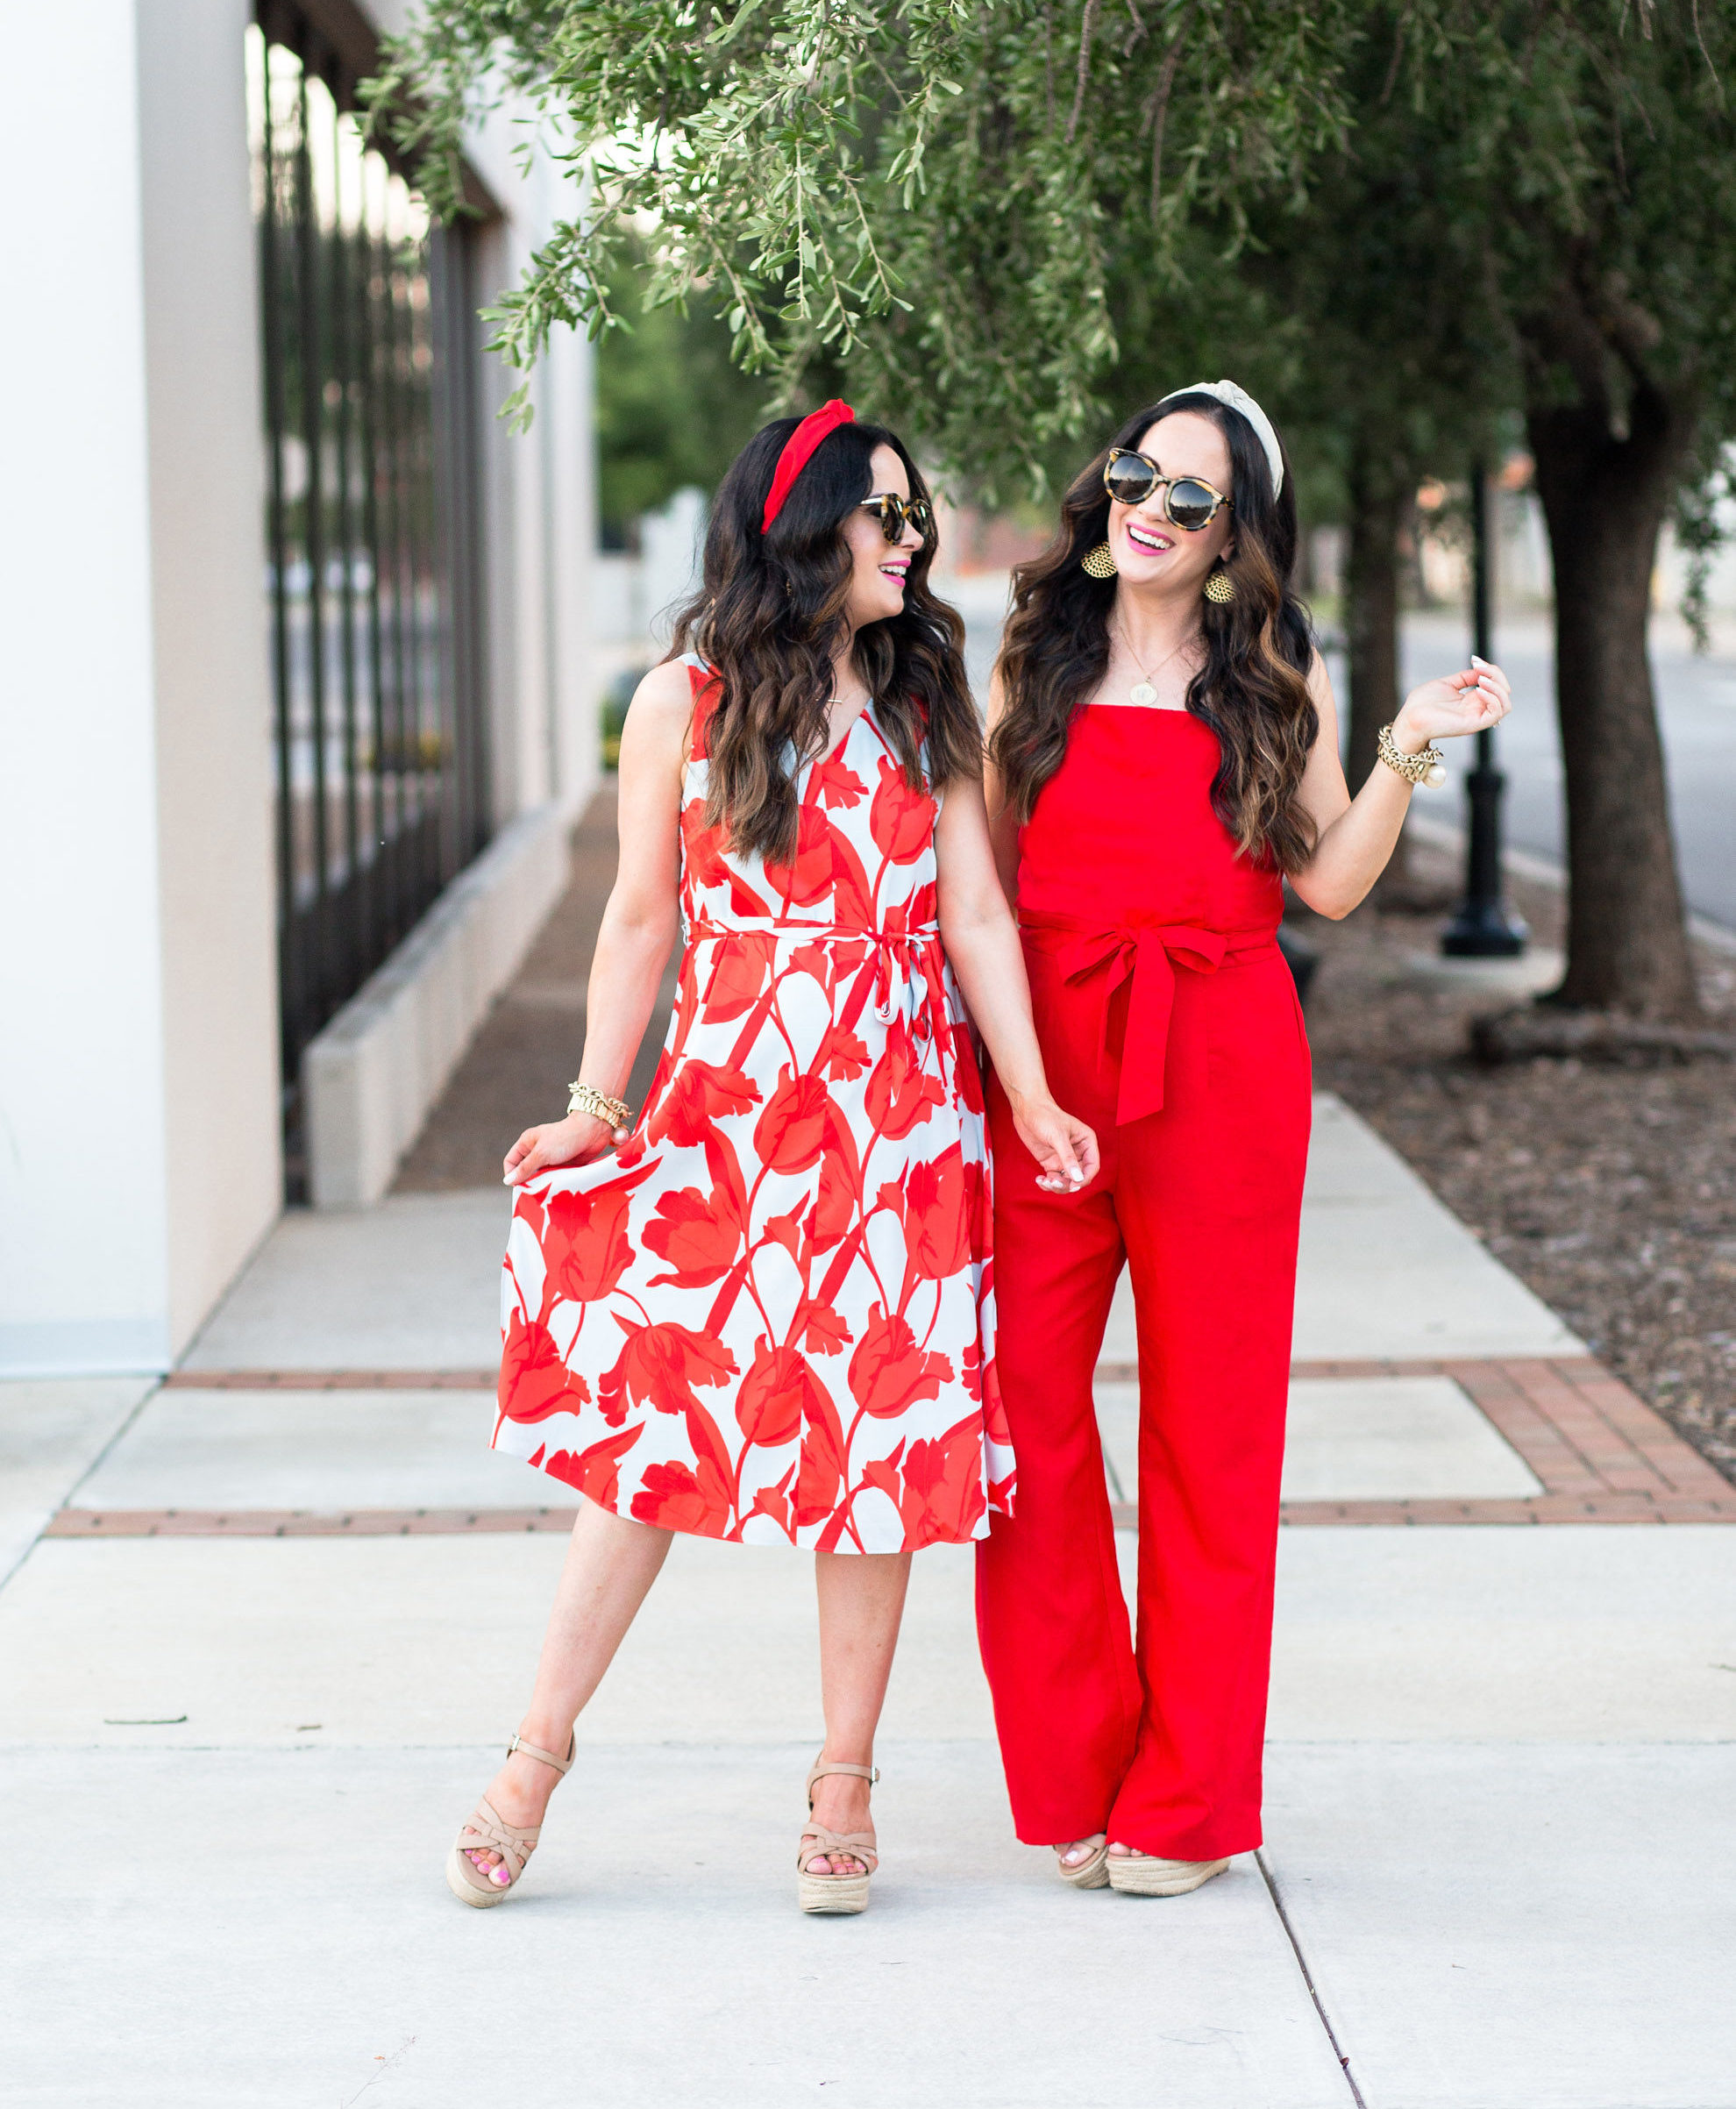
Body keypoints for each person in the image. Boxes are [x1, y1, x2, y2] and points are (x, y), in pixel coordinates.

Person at [447, 401, 1098, 1916]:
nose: (912, 536)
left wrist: (1031, 1087)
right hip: (727, 1108)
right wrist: (594, 1107)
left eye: (914, 511)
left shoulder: (928, 697)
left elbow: (977, 917)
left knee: (878, 1453)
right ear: (801, 526)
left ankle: (845, 1778)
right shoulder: (684, 699)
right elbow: (637, 918)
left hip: (900, 1120)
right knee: (651, 1433)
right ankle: (531, 1758)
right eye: (883, 513)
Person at [977, 381, 1512, 1896]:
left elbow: (1330, 881)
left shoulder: (1275, 666)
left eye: (1191, 495)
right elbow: (980, 884)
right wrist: (1009, 1079)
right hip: (1048, 1079)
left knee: (1212, 1442)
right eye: (1137, 469)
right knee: (1021, 1417)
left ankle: (1189, 1799)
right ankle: (1078, 1766)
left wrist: (1409, 743)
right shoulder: (1036, 653)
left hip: (1220, 1066)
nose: (1148, 501)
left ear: (1233, 539)